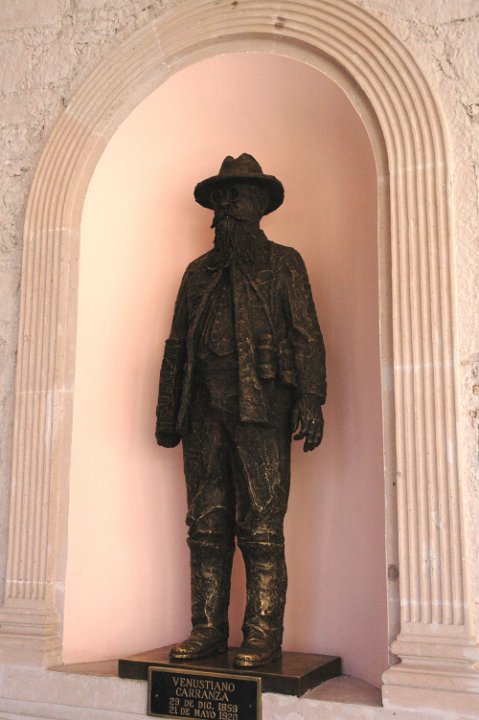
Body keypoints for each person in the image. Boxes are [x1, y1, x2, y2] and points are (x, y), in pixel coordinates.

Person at [155, 154, 326, 668]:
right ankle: (207, 629)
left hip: (261, 407)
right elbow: (177, 345)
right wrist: (168, 414)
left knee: (262, 525)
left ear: (259, 205)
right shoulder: (197, 273)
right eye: (222, 199)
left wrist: (311, 398)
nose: (229, 206)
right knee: (205, 524)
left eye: (239, 196)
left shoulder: (284, 263)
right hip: (201, 410)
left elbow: (306, 334)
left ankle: (263, 634)